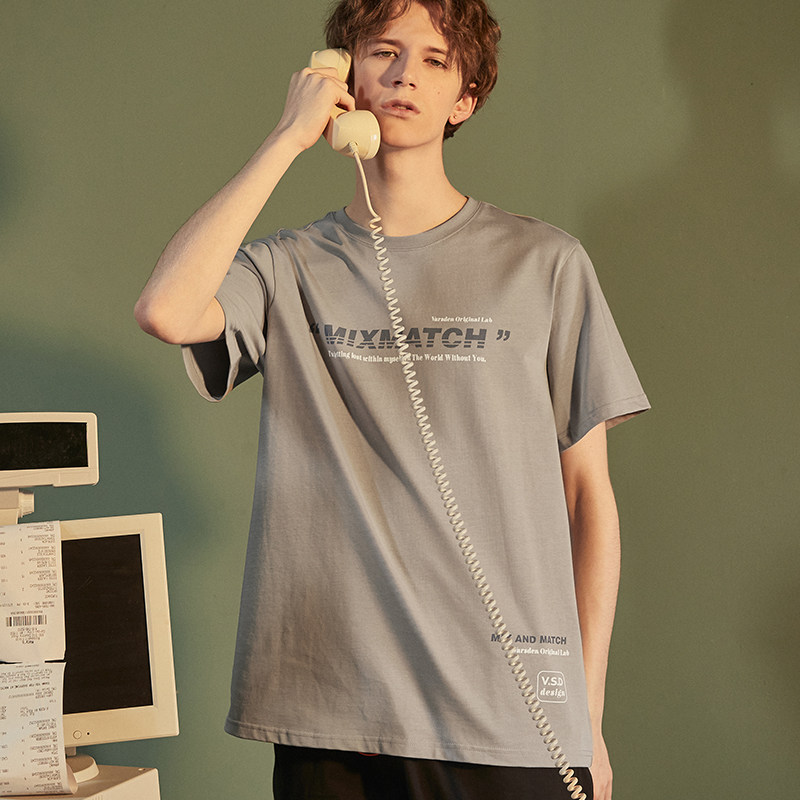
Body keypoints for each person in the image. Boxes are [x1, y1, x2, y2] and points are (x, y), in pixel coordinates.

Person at [134, 1, 649, 798]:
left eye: (436, 60)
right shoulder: (287, 268)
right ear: (343, 76)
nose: (406, 74)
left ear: (465, 99)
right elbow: (167, 310)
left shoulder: (544, 263)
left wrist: (588, 715)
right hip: (333, 716)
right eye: (383, 52)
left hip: (505, 712)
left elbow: (589, 500)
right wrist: (287, 139)